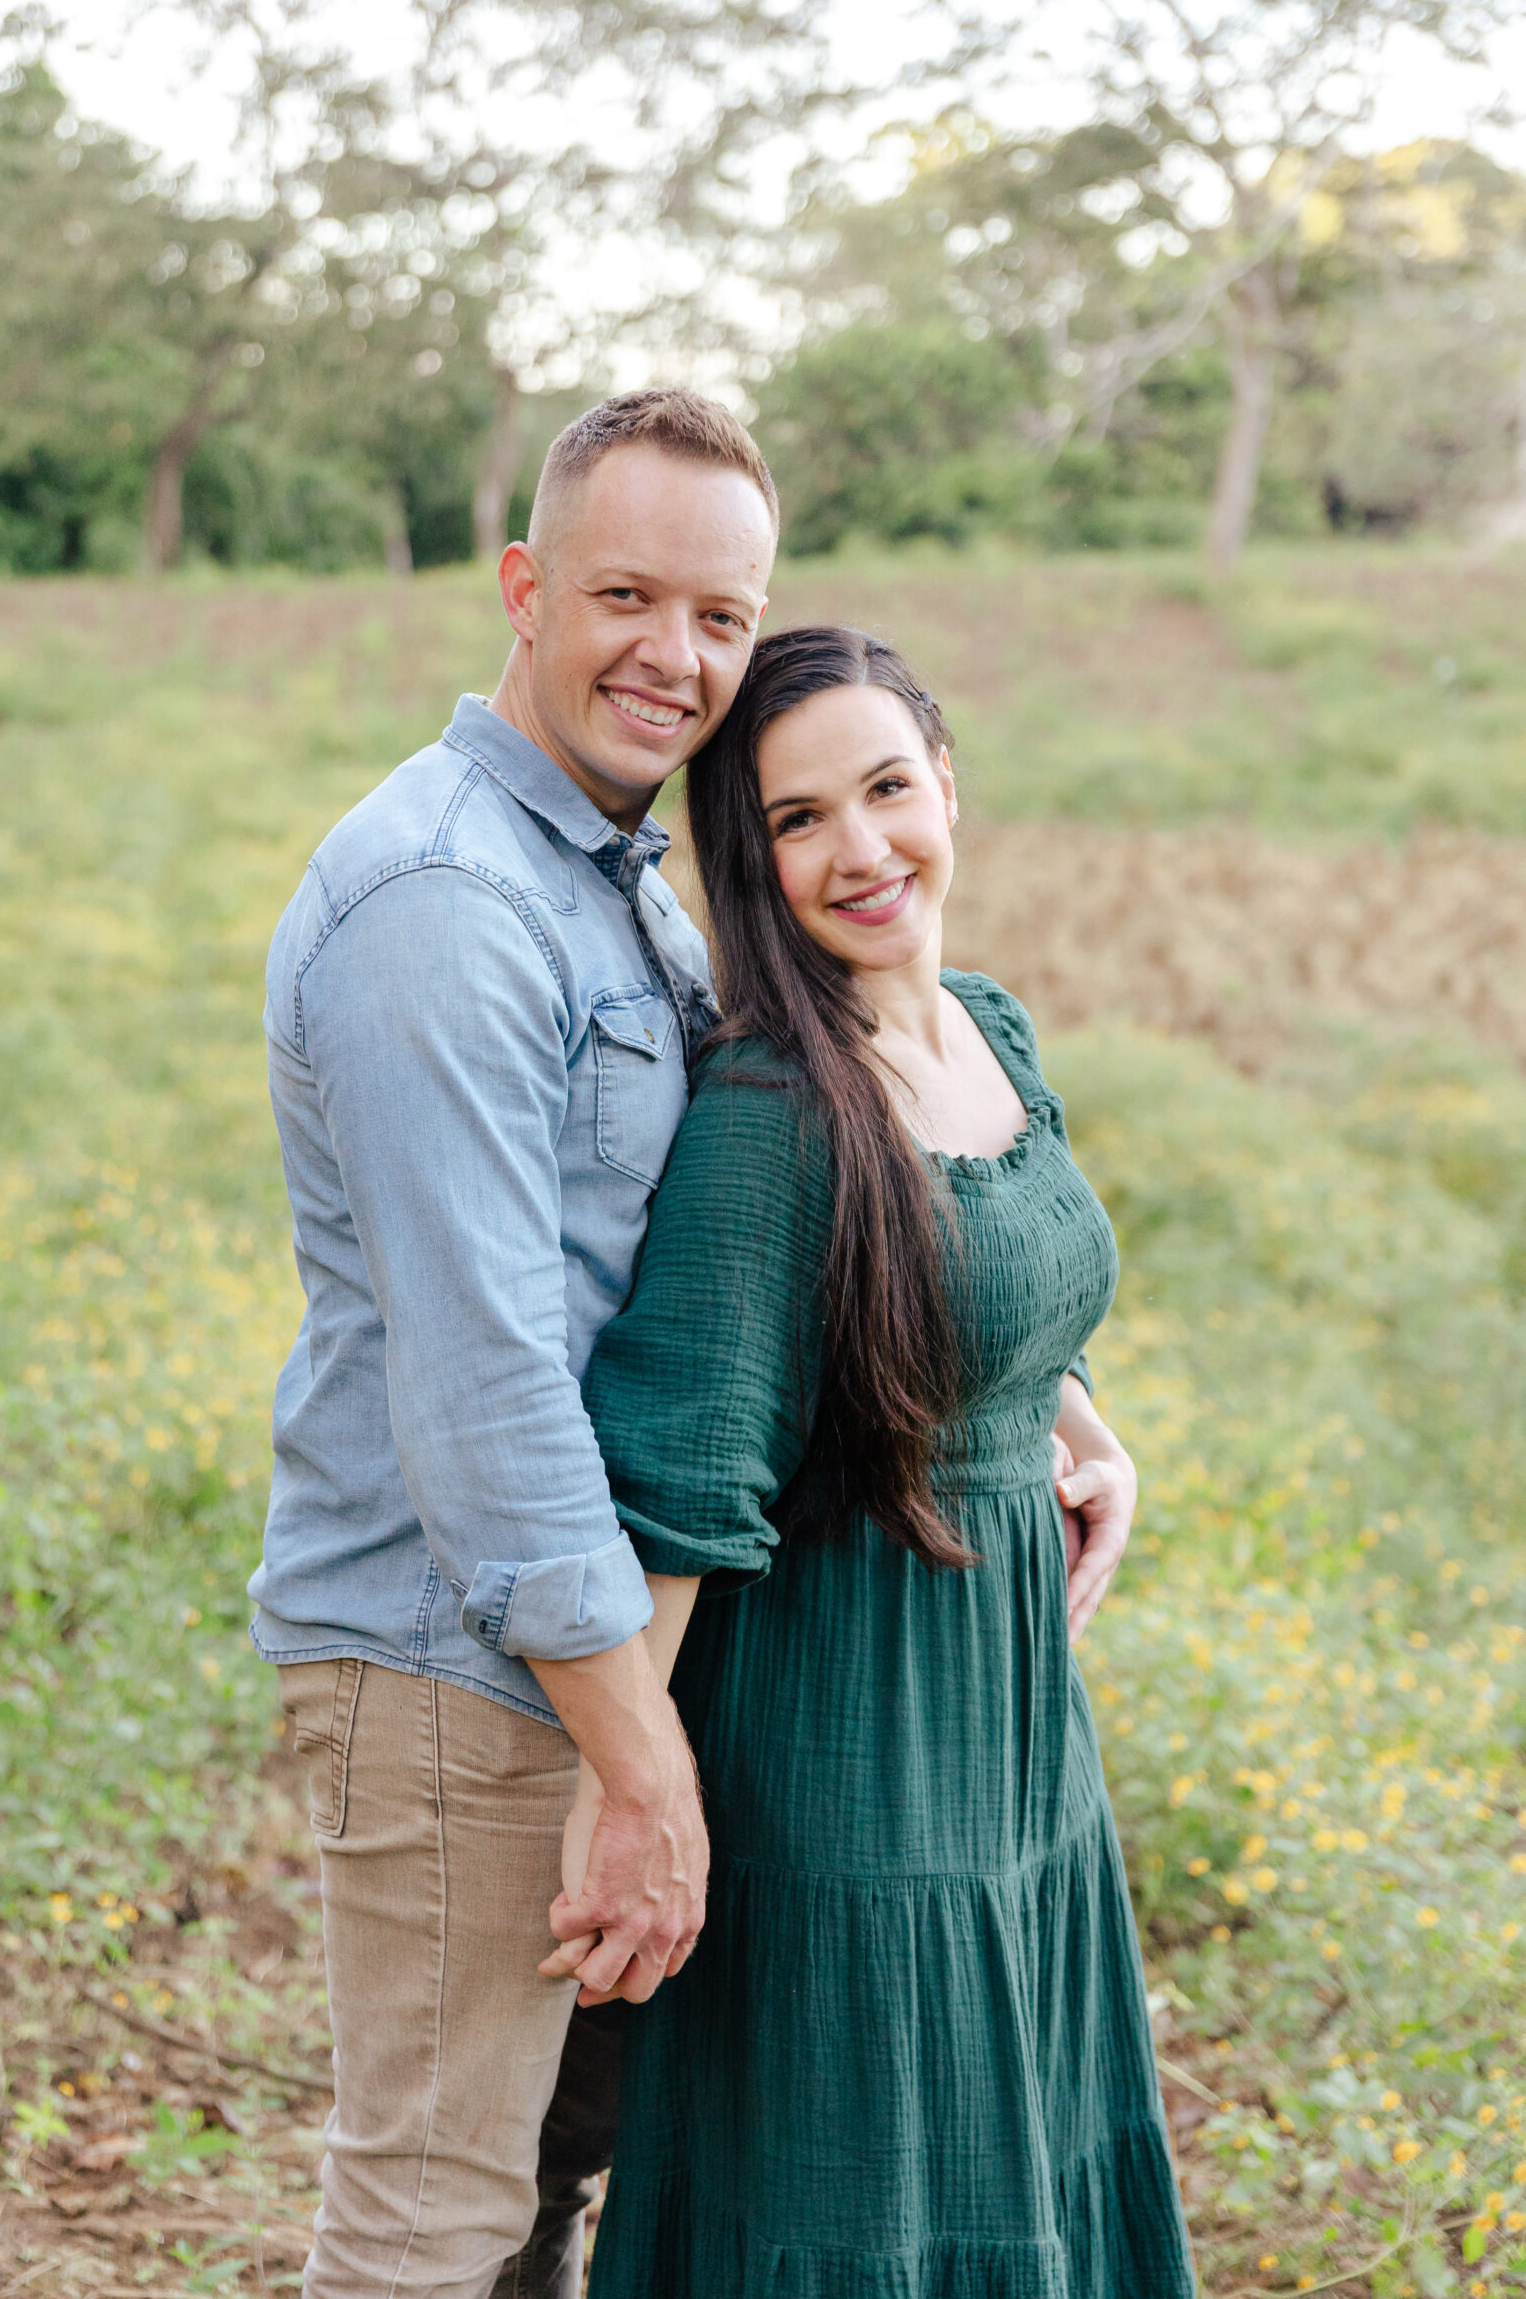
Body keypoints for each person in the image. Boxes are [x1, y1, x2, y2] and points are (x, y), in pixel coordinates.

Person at [565, 623, 1197, 2298]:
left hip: (1014, 1732)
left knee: (1021, 2138)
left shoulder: (989, 1027)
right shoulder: (772, 1110)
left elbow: (997, 1285)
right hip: (849, 1743)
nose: (860, 851)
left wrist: (1084, 1429)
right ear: (747, 860)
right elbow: (685, 1483)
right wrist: (640, 1801)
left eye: (887, 789)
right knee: (863, 2194)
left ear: (947, 786)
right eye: (794, 820)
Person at [251, 389, 777, 2299]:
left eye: (721, 616)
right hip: (462, 1663)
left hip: (581, 1663)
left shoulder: (614, 886)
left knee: (548, 2195)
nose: (678, 656)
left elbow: (763, 1189)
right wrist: (640, 1772)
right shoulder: (449, 904)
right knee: (433, 2212)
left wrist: (1056, 1399)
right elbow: (484, 1389)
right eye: (629, 595)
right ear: (524, 584)